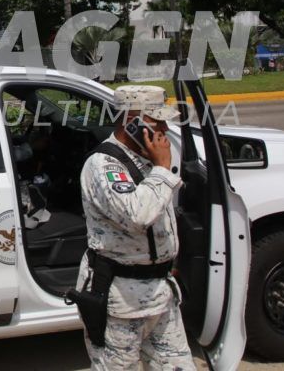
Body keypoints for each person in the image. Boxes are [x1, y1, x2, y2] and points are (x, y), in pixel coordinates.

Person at [73, 85, 194, 370]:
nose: (164, 128)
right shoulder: (103, 165)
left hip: (160, 294)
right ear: (132, 122)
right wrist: (163, 169)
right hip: (121, 301)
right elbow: (137, 214)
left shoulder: (147, 159)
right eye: (157, 121)